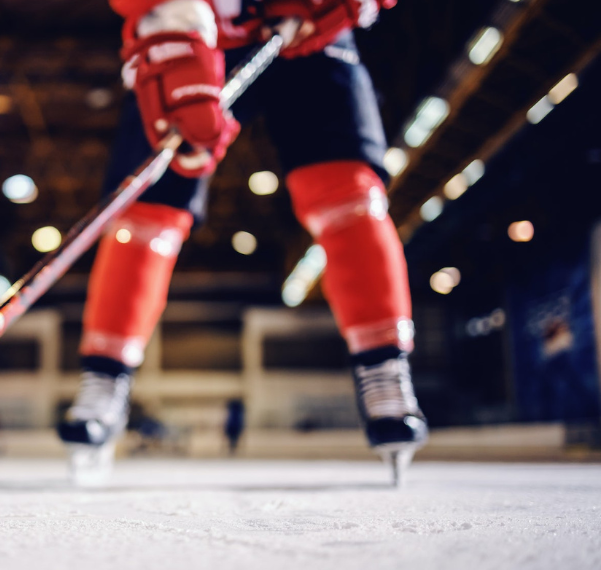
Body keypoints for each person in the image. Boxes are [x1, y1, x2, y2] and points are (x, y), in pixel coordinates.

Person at [57, 0, 428, 480]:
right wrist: (172, 29)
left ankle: (384, 373)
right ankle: (103, 384)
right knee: (146, 214)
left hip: (312, 30)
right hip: (195, 28)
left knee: (347, 193)